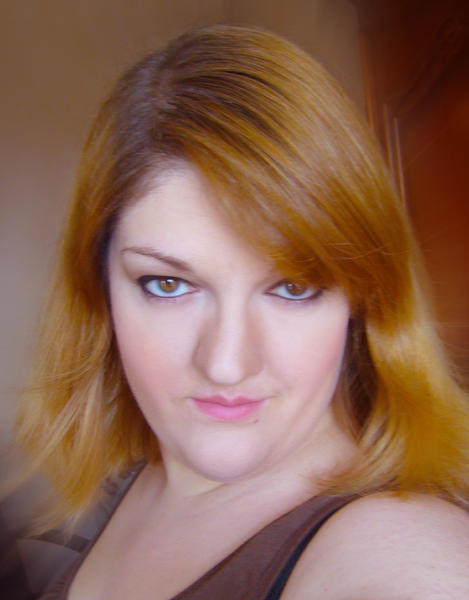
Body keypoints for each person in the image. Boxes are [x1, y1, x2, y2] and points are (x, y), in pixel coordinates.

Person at [14, 24, 469, 599]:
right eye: (168, 284)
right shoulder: (132, 476)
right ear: (100, 286)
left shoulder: (397, 548)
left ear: (362, 299)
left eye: (294, 288)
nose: (226, 364)